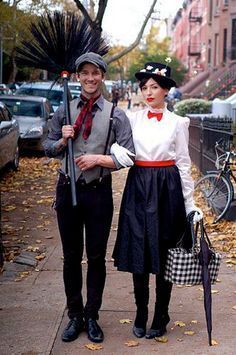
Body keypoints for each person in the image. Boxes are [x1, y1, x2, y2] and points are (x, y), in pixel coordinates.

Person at [43, 52, 135, 344]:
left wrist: (99, 158)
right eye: (85, 73)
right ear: (78, 76)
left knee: (95, 257)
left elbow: (129, 156)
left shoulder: (115, 113)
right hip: (67, 187)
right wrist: (62, 139)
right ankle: (74, 316)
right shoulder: (64, 110)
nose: (90, 78)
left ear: (102, 77)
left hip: (98, 192)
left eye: (96, 73)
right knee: (71, 257)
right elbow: (46, 146)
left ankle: (92, 315)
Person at [111, 62, 203, 340]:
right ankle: (140, 312)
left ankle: (161, 315)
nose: (148, 92)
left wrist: (190, 205)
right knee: (139, 249)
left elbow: (184, 164)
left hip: (168, 189)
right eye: (144, 87)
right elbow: (117, 147)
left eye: (154, 87)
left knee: (165, 253)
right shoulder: (131, 118)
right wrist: (116, 149)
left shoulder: (178, 122)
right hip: (139, 186)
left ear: (165, 90)